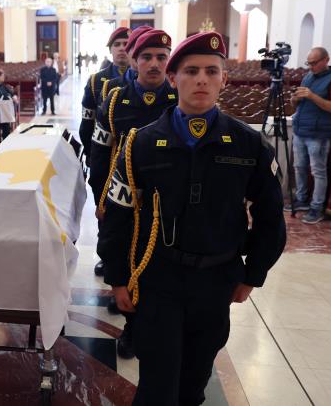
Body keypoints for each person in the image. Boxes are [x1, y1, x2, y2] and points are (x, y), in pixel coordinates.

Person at [98, 31, 286, 406]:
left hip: (217, 280)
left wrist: (253, 274)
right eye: (191, 71)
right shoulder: (141, 143)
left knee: (194, 383)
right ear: (173, 78)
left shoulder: (248, 145)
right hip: (159, 278)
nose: (202, 79)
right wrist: (118, 278)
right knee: (157, 385)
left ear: (224, 79)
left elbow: (270, 216)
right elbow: (118, 218)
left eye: (211, 71)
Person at [89, 29, 178, 355]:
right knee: (128, 260)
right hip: (125, 198)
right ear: (135, 60)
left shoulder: (178, 99)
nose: (154, 64)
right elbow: (100, 154)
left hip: (169, 200)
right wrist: (102, 199)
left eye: (161, 57)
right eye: (147, 57)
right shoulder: (115, 100)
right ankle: (132, 327)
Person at [289, 46, 331, 224]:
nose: (311, 67)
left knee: (318, 171)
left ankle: (316, 207)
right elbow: (296, 105)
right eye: (309, 63)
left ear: (326, 60)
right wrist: (294, 99)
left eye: (314, 63)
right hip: (301, 129)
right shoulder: (308, 76)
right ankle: (301, 200)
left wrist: (312, 96)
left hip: (319, 133)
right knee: (299, 167)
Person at [79, 27, 131, 162]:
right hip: (103, 155)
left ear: (133, 49)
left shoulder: (142, 80)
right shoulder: (95, 81)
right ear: (110, 50)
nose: (122, 48)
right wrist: (91, 154)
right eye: (117, 44)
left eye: (126, 44)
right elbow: (87, 124)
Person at [0, 69, 16, 140]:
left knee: (6, 124)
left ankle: (6, 139)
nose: (4, 77)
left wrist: (14, 96)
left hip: (5, 109)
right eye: (2, 76)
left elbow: (11, 93)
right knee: (6, 124)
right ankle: (5, 140)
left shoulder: (3, 86)